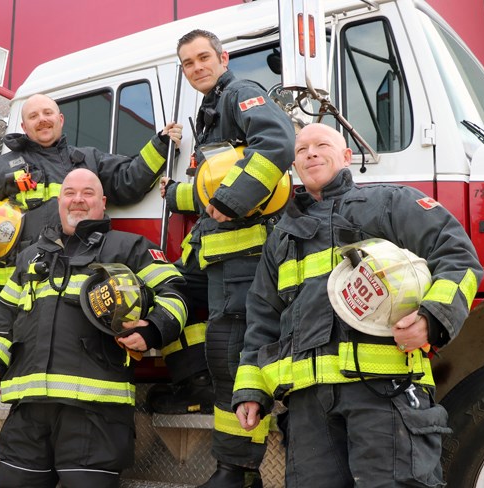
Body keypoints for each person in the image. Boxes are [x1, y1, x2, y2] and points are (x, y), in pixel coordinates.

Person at [232, 123, 483, 487]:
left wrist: (432, 318)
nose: (311, 153)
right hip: (307, 412)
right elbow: (262, 317)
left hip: (384, 394)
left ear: (347, 156)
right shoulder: (281, 239)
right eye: (302, 150)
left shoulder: (390, 203)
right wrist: (251, 391)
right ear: (294, 165)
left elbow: (458, 258)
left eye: (322, 145)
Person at [0, 168, 188, 488]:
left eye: (87, 193)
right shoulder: (30, 258)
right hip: (29, 416)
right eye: (70, 193)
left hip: (96, 417)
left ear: (102, 203)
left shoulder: (130, 248)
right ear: (59, 202)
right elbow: (4, 324)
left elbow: (175, 293)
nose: (78, 200)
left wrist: (153, 330)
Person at [155, 29, 296, 487]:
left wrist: (234, 198)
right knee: (155, 291)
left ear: (223, 57)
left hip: (246, 259)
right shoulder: (211, 111)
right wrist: (180, 194)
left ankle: (237, 471)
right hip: (211, 260)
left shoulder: (240, 93)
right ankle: (191, 382)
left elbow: (276, 143)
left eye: (203, 58)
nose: (197, 67)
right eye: (188, 63)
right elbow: (211, 187)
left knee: (232, 358)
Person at [0, 93, 182, 291]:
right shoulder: (4, 166)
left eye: (47, 113)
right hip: (20, 285)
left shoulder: (88, 159)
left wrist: (161, 145)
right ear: (24, 127)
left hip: (76, 279)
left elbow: (128, 181)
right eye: (33, 116)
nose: (42, 120)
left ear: (60, 119)